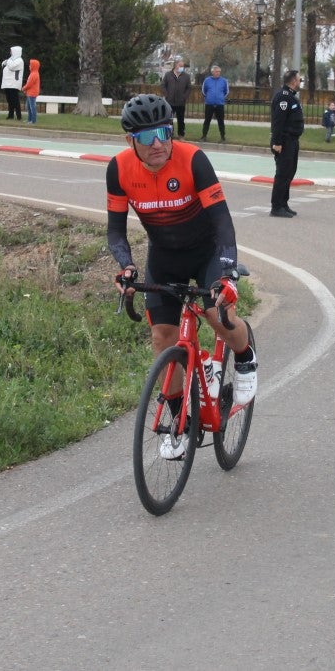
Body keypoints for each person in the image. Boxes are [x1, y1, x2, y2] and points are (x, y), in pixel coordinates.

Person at [107, 93, 257, 459]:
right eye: (146, 136)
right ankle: (180, 421)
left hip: (207, 252)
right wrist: (126, 266)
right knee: (163, 337)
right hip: (165, 257)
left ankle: (245, 357)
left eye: (164, 132)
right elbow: (116, 231)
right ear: (130, 140)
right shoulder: (119, 169)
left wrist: (226, 273)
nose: (157, 143)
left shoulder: (193, 160)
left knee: (217, 315)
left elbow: (222, 221)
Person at [269, 70, 305, 217]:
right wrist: (277, 142)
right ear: (293, 81)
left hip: (292, 140)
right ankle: (276, 207)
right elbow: (278, 122)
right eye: (299, 79)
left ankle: (284, 203)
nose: (300, 82)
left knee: (290, 172)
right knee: (282, 174)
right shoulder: (283, 97)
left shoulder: (291, 96)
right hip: (284, 141)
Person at [161, 57, 192, 138]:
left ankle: (181, 135)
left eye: (183, 66)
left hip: (181, 102)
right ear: (175, 65)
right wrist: (167, 94)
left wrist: (184, 96)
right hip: (170, 101)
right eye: (180, 66)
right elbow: (163, 85)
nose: (182, 67)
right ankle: (170, 135)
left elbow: (189, 88)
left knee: (181, 120)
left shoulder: (186, 76)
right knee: (169, 119)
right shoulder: (168, 75)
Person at [200, 65, 229, 142]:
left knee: (221, 121)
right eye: (216, 71)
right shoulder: (207, 80)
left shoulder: (224, 81)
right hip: (209, 104)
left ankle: (223, 137)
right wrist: (208, 97)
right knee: (207, 120)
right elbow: (203, 91)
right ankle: (204, 136)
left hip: (220, 104)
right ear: (212, 72)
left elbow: (226, 92)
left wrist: (221, 97)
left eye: (219, 71)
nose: (218, 73)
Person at [0, 45, 25, 120]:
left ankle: (19, 116)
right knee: (9, 100)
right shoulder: (11, 59)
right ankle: (10, 115)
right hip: (7, 83)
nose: (10, 52)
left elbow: (11, 67)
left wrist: (7, 61)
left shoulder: (19, 60)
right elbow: (3, 64)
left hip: (14, 84)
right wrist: (6, 62)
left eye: (11, 51)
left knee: (15, 100)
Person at [23, 58, 41, 124]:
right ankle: (29, 119)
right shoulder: (33, 73)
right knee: (29, 107)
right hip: (30, 92)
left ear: (34, 66)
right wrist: (26, 89)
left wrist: (24, 88)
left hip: (32, 93)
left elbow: (29, 84)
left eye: (30, 65)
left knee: (32, 107)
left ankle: (33, 121)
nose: (29, 66)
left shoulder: (34, 74)